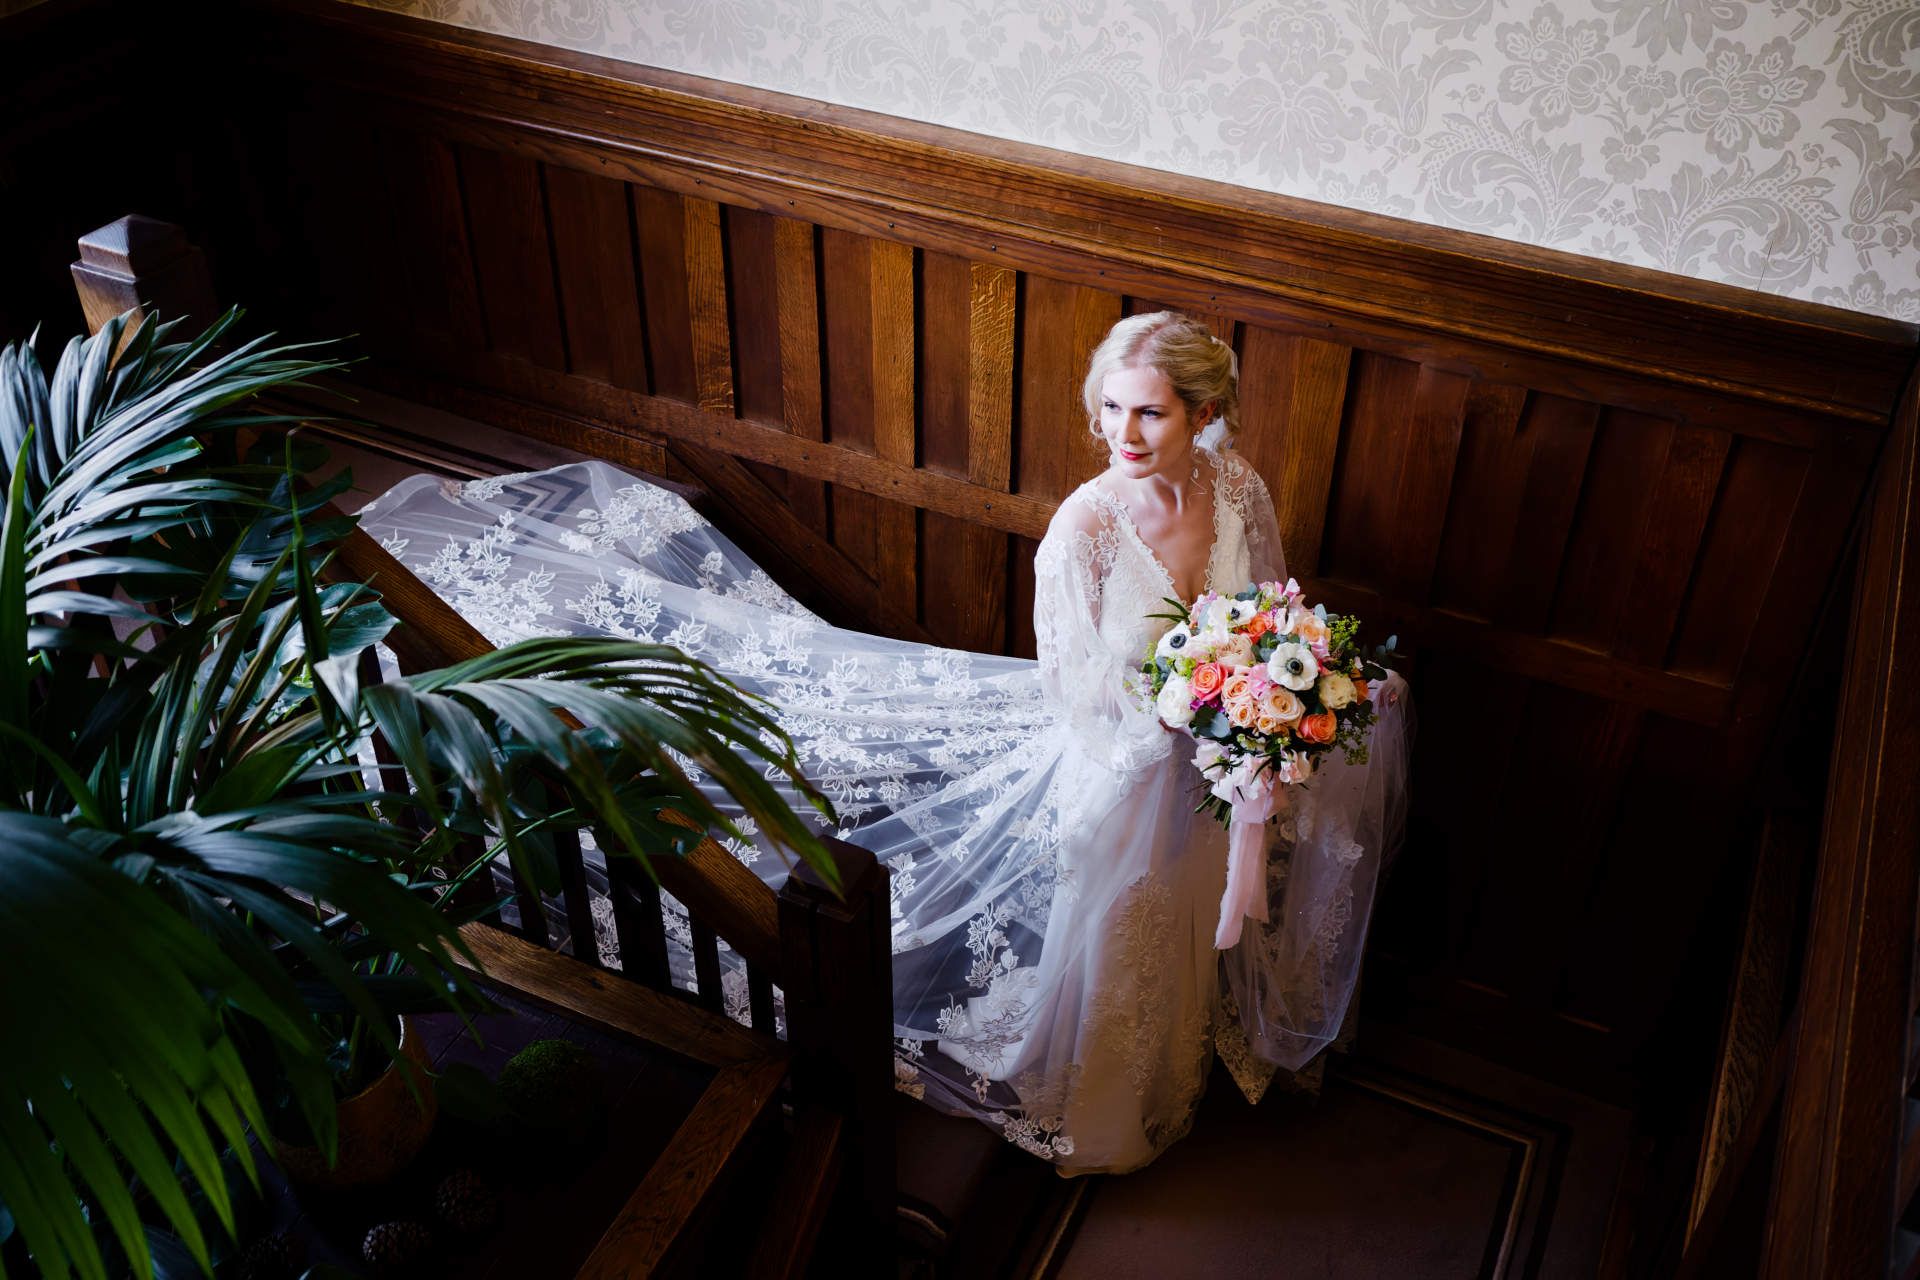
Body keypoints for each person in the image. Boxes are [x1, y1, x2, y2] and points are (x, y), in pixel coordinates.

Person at [356, 311, 1412, 1176]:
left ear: (1206, 413)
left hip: (1203, 762)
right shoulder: (1085, 527)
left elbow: (1267, 608)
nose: (1123, 434)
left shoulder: (1239, 491)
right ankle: (1113, 1098)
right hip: (1127, 758)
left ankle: (1183, 1051)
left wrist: (1258, 700)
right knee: (1123, 912)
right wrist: (1194, 713)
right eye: (1109, 410)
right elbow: (1076, 687)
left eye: (1149, 413)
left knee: (1185, 904)